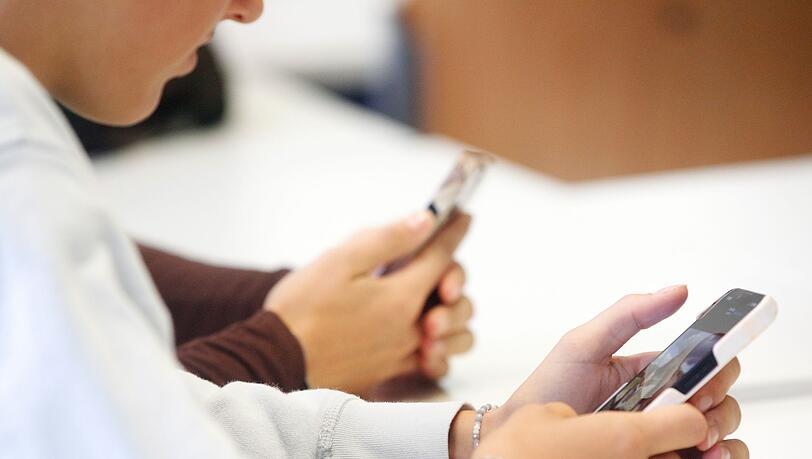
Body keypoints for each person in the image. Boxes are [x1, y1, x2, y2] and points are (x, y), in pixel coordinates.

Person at [0, 0, 746, 457]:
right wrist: (287, 341)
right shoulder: (22, 164)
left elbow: (166, 409)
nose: (250, 8)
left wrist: (478, 437)